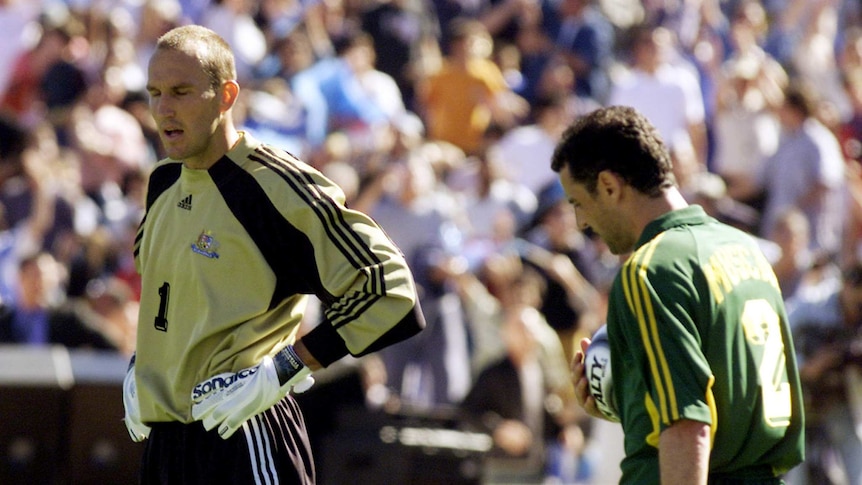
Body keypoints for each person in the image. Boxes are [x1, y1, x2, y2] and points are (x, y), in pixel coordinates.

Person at [122, 25, 425, 484]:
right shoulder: (162, 181)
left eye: (181, 92)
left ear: (226, 95)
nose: (163, 108)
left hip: (247, 437)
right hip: (165, 446)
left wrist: (285, 369)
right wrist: (141, 367)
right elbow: (174, 300)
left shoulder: (274, 183)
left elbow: (388, 288)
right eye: (155, 93)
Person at [556, 106, 805, 484]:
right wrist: (628, 396)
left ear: (608, 185)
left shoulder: (649, 270)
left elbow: (688, 425)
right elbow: (724, 398)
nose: (581, 222)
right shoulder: (745, 250)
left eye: (578, 202)